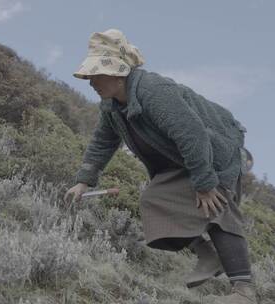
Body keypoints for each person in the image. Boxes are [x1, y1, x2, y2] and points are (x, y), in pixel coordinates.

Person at [63, 29, 256, 304]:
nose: (90, 81)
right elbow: (102, 142)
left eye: (95, 74)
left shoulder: (154, 91)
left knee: (218, 212)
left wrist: (204, 183)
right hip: (181, 162)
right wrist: (84, 180)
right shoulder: (111, 106)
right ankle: (207, 254)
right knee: (154, 200)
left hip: (215, 156)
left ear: (116, 74)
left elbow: (192, 134)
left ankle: (244, 292)